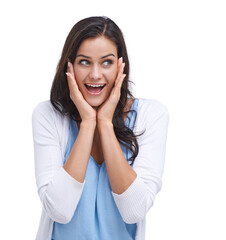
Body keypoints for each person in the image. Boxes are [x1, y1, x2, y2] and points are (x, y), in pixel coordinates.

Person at [32, 16, 169, 240]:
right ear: (70, 66)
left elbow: (134, 211)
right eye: (84, 61)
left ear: (120, 65)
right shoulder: (48, 115)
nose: (95, 75)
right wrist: (88, 123)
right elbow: (59, 211)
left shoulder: (151, 115)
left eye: (106, 62)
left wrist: (105, 123)